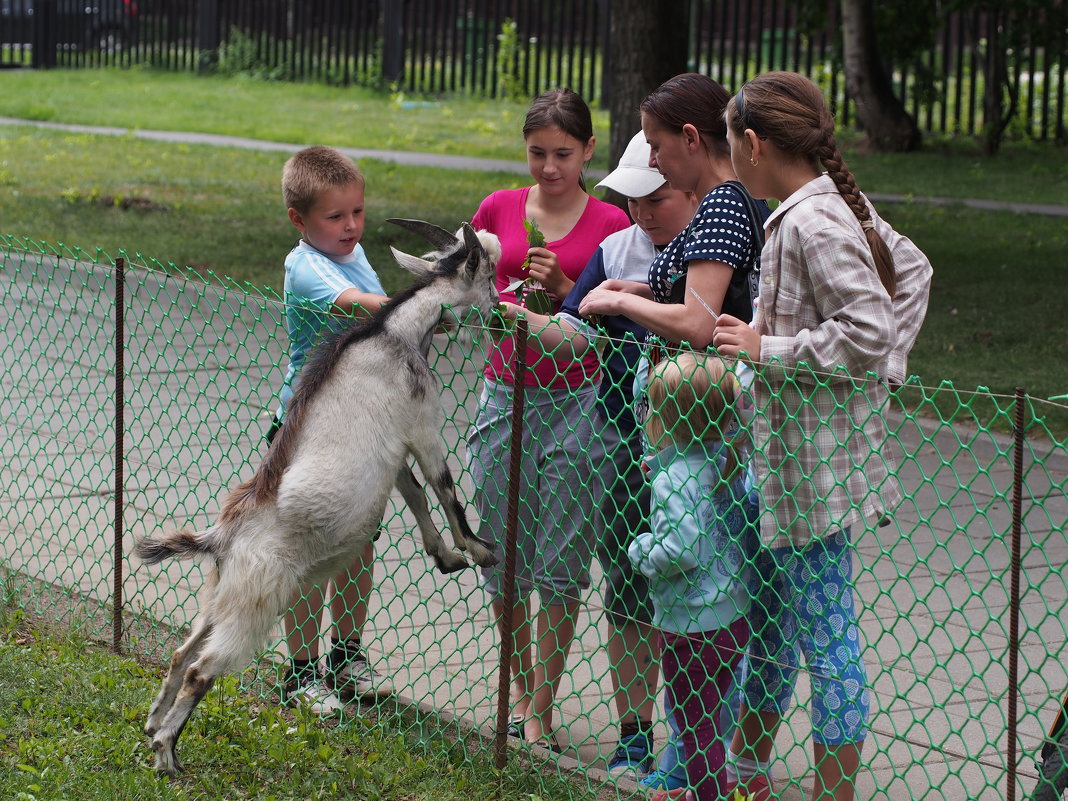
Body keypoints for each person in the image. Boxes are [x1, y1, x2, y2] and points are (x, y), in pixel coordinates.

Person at [713, 72, 933, 801]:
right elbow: (913, 272)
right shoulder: (826, 207)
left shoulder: (813, 220)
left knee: (828, 637)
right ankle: (748, 774)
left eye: (727, 141)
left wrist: (770, 352)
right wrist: (871, 374)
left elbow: (869, 327)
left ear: (753, 143)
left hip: (809, 468)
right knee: (770, 623)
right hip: (773, 455)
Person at [495, 130, 701, 777]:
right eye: (632, 199)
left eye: (656, 199)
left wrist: (627, 301)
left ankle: (705, 743)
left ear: (693, 189)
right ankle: (637, 730)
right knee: (629, 588)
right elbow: (577, 333)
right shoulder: (617, 248)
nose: (641, 213)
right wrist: (515, 317)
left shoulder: (714, 254)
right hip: (621, 444)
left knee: (706, 600)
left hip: (701, 457)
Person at [466, 88, 631, 751]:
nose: (549, 168)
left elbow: (615, 317)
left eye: (563, 154)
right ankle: (516, 683)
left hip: (578, 400)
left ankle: (540, 706)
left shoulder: (613, 224)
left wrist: (566, 291)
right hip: (504, 392)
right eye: (537, 153)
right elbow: (470, 283)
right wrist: (491, 304)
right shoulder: (499, 208)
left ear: (589, 150)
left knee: (562, 560)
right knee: (503, 552)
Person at [270, 145, 394, 716]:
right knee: (311, 551)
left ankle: (345, 656)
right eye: (335, 217)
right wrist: (419, 305)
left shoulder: (353, 251)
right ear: (300, 220)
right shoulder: (306, 266)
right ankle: (299, 671)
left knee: (356, 548)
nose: (350, 226)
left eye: (358, 213)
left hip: (360, 429)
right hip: (311, 429)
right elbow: (362, 305)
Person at [628, 352, 757, 801]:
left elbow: (681, 550)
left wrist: (640, 549)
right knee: (715, 712)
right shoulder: (723, 460)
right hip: (732, 617)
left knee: (695, 726)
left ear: (664, 419)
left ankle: (707, 793)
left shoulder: (673, 479)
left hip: (691, 627)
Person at [578, 73, 769, 359]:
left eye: (656, 146)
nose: (651, 161)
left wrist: (620, 301)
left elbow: (698, 324)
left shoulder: (722, 203)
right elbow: (716, 295)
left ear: (690, 138)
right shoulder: (744, 194)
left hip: (705, 394)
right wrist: (640, 292)